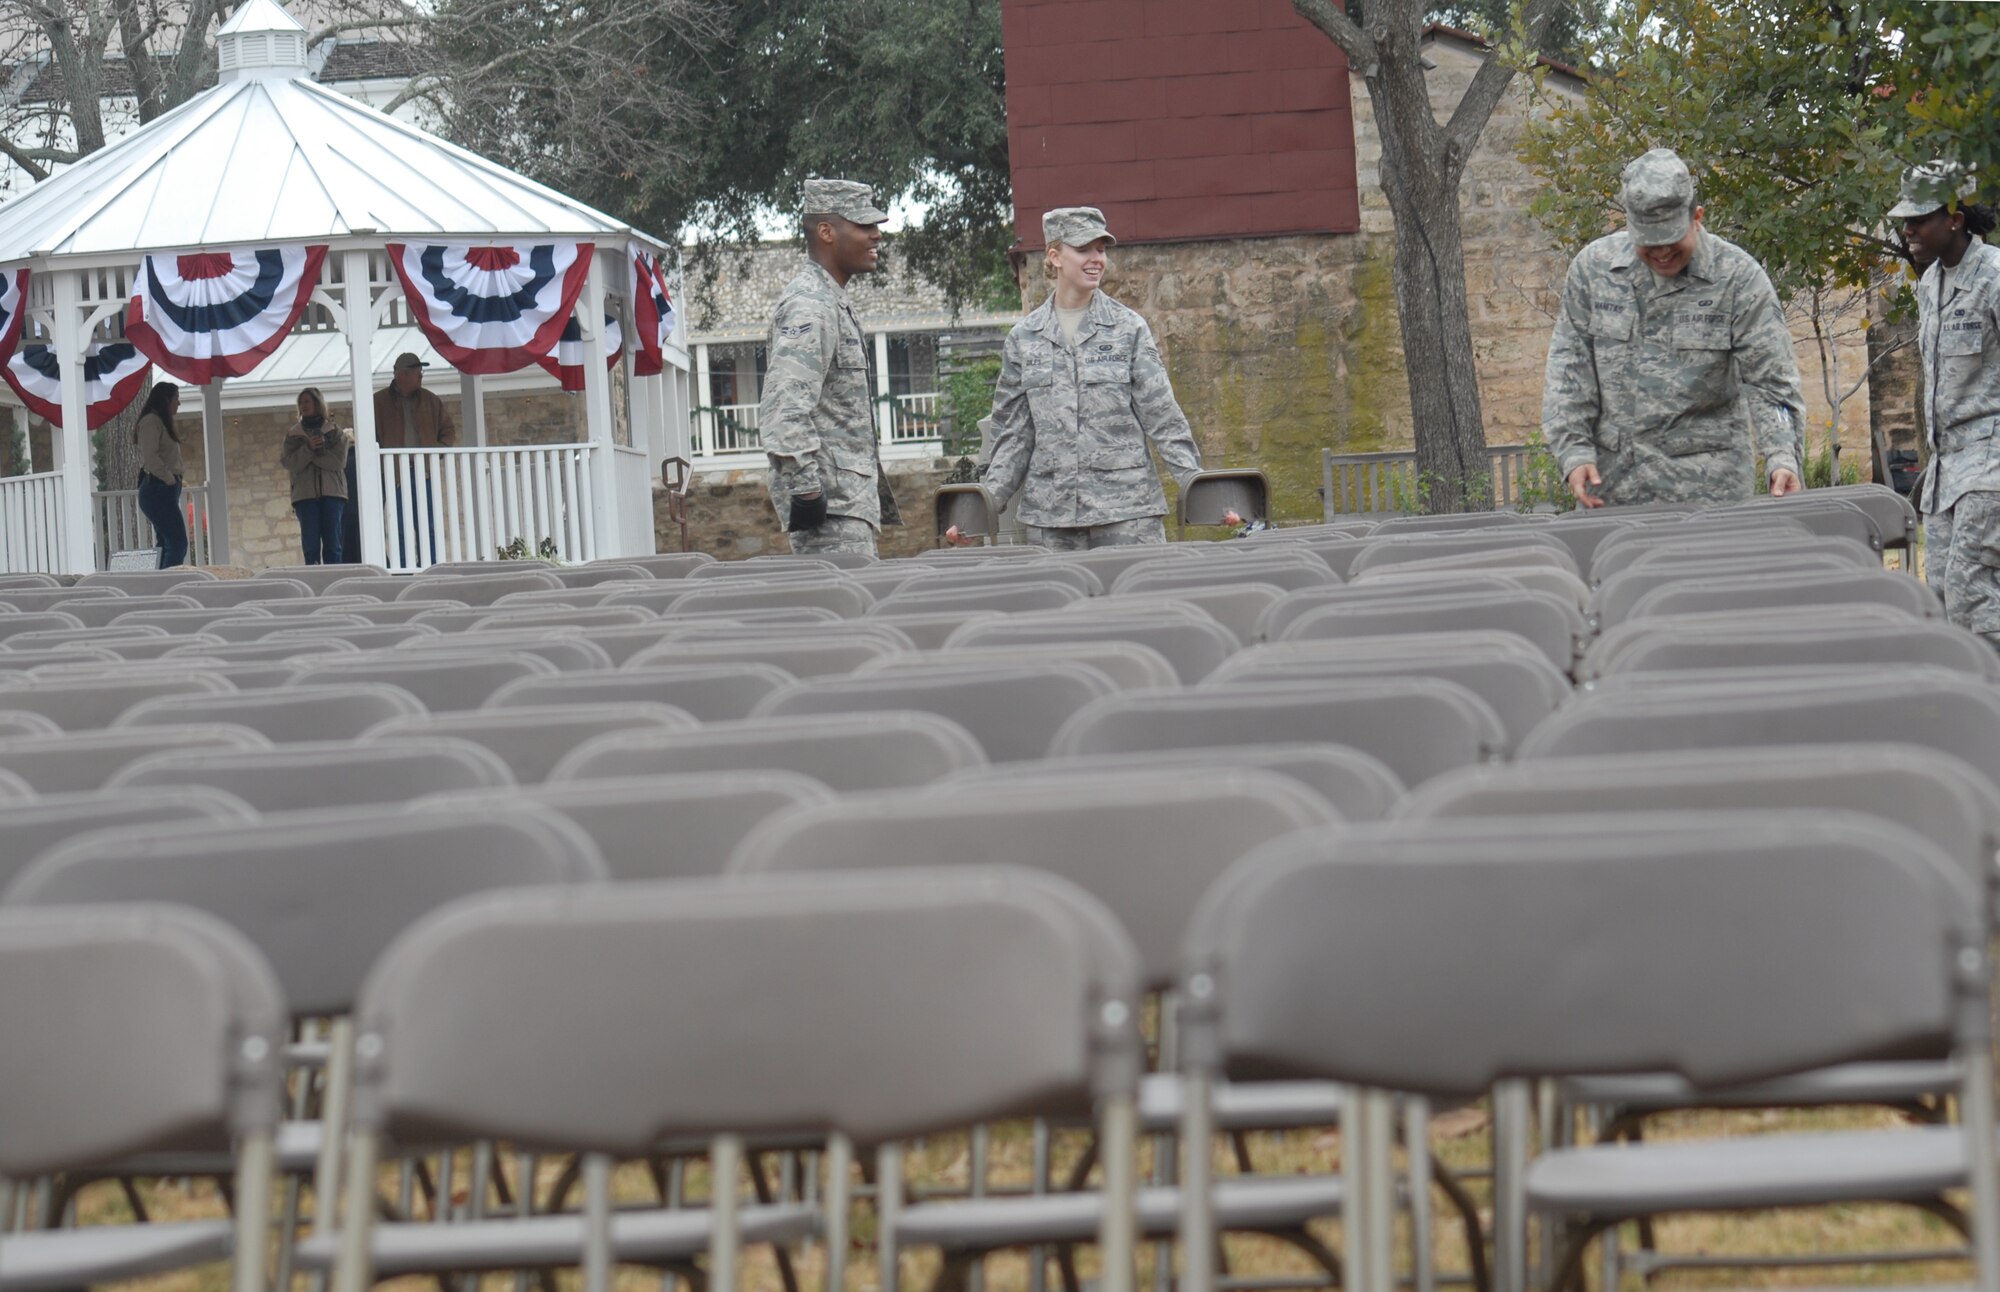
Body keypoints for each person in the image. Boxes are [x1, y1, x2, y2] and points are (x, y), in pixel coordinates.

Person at [1542, 148, 1805, 509]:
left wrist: (1781, 456)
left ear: (1697, 217)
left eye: (1671, 239)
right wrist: (1573, 451)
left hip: (1709, 496)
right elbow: (1569, 370)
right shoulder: (1593, 271)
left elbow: (1772, 385)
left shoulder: (1737, 279)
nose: (1662, 252)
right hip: (1613, 493)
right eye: (1649, 242)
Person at [978, 206, 1202, 550]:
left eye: (1101, 249)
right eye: (1083, 249)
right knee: (1057, 603)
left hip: (1126, 513)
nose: (1096, 258)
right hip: (1050, 520)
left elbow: (1163, 417)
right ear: (1054, 256)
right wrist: (984, 505)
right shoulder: (1024, 338)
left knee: (1137, 602)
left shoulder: (1128, 329)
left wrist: (1197, 484)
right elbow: (1012, 435)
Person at [760, 178, 902, 556]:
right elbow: (783, 409)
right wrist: (808, 491)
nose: (876, 236)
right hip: (829, 517)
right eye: (864, 226)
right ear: (826, 231)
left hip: (846, 508)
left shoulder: (830, 300)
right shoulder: (811, 305)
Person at [1892, 160, 2000, 644]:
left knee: (1972, 596)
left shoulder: (1995, 277)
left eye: (1919, 218)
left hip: (1990, 465)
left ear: (1954, 217)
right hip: (1945, 472)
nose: (1907, 228)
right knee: (1936, 596)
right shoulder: (1928, 284)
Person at [372, 351, 455, 564]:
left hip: (424, 473)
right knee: (399, 525)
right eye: (417, 372)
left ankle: (432, 564)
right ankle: (404, 567)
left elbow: (448, 430)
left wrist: (436, 454)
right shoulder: (378, 402)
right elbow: (369, 435)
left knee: (429, 525)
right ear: (403, 375)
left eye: (420, 372)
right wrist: (380, 461)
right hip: (395, 475)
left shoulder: (430, 400)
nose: (421, 376)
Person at [279, 386, 351, 564]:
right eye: (301, 402)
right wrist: (309, 449)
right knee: (310, 546)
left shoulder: (335, 433)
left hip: (333, 494)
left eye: (307, 401)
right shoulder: (293, 435)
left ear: (317, 403)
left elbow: (337, 463)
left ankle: (334, 581)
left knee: (333, 545)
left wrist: (310, 457)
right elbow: (289, 463)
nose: (304, 405)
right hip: (305, 496)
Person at [134, 381, 189, 568]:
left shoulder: (160, 422)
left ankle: (160, 580)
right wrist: (169, 479)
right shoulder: (151, 421)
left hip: (164, 487)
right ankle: (169, 582)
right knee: (177, 542)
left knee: (166, 543)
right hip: (157, 488)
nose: (178, 404)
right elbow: (150, 456)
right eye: (176, 399)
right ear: (166, 400)